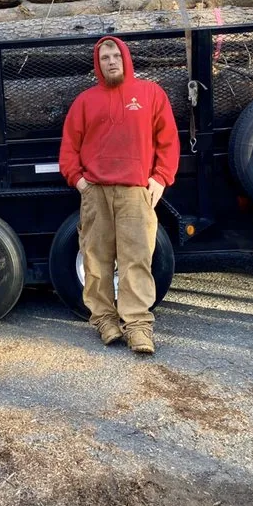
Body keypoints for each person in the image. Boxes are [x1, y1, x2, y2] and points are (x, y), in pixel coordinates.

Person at [59, 36, 180, 355]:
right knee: (96, 260)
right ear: (97, 65)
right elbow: (69, 147)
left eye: (115, 55)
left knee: (137, 259)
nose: (111, 61)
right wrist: (80, 182)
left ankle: (138, 326)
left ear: (126, 58)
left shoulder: (150, 94)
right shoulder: (86, 101)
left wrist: (161, 178)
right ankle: (104, 321)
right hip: (95, 193)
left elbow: (168, 139)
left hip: (135, 193)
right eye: (104, 58)